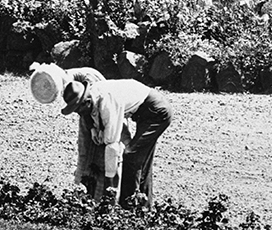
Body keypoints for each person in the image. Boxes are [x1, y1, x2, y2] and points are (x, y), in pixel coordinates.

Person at [60, 76, 173, 206]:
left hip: (156, 112)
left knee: (131, 155)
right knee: (142, 160)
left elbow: (112, 145)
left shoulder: (107, 102)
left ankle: (127, 207)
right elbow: (91, 117)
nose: (79, 113)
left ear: (87, 102)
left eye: (78, 109)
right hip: (145, 112)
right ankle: (144, 206)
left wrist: (110, 184)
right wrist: (92, 129)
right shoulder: (93, 95)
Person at [28, 63, 110, 192]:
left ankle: (99, 191)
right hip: (87, 112)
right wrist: (91, 128)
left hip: (103, 114)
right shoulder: (67, 82)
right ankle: (82, 186)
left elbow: (95, 107)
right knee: (84, 147)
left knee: (100, 152)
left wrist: (95, 129)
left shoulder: (89, 79)